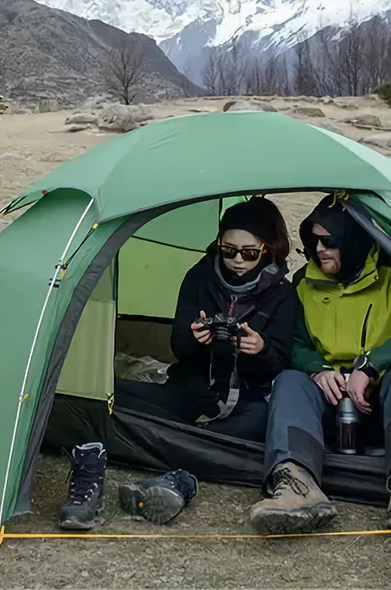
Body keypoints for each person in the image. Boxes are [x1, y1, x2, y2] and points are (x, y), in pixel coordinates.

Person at [58, 197, 299, 531]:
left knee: (255, 426)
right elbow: (178, 347)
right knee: (102, 397)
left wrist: (259, 349)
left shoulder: (284, 294)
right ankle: (179, 455)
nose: (237, 260)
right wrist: (194, 339)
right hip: (192, 390)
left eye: (249, 252)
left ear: (269, 248)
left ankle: (178, 477)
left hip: (248, 400)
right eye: (228, 250)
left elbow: (281, 365)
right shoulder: (200, 276)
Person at [249, 195, 391, 534]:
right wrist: (318, 370)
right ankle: (297, 485)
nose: (320, 248)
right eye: (313, 241)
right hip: (330, 408)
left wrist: (369, 367)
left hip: (385, 404)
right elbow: (294, 343)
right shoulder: (304, 284)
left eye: (330, 241)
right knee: (291, 379)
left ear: (353, 239)